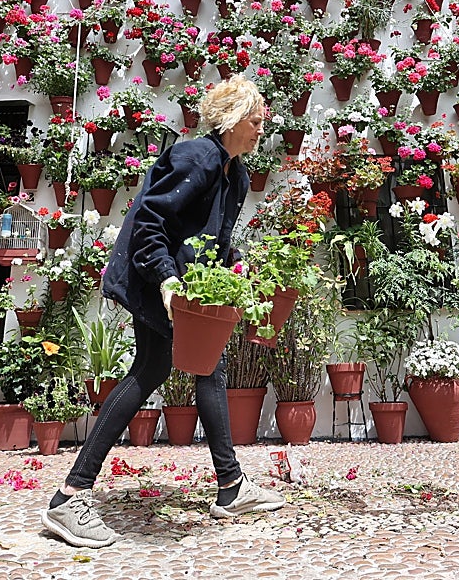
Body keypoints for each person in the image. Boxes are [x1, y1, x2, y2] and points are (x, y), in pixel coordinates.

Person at [40, 76, 284, 548]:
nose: (260, 131)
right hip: (160, 284)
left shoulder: (236, 174)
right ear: (233, 119)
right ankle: (70, 496)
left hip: (189, 289)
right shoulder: (198, 156)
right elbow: (150, 220)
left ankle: (231, 486)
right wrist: (167, 280)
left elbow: (213, 240)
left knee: (209, 370)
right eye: (255, 122)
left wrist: (237, 265)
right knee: (149, 371)